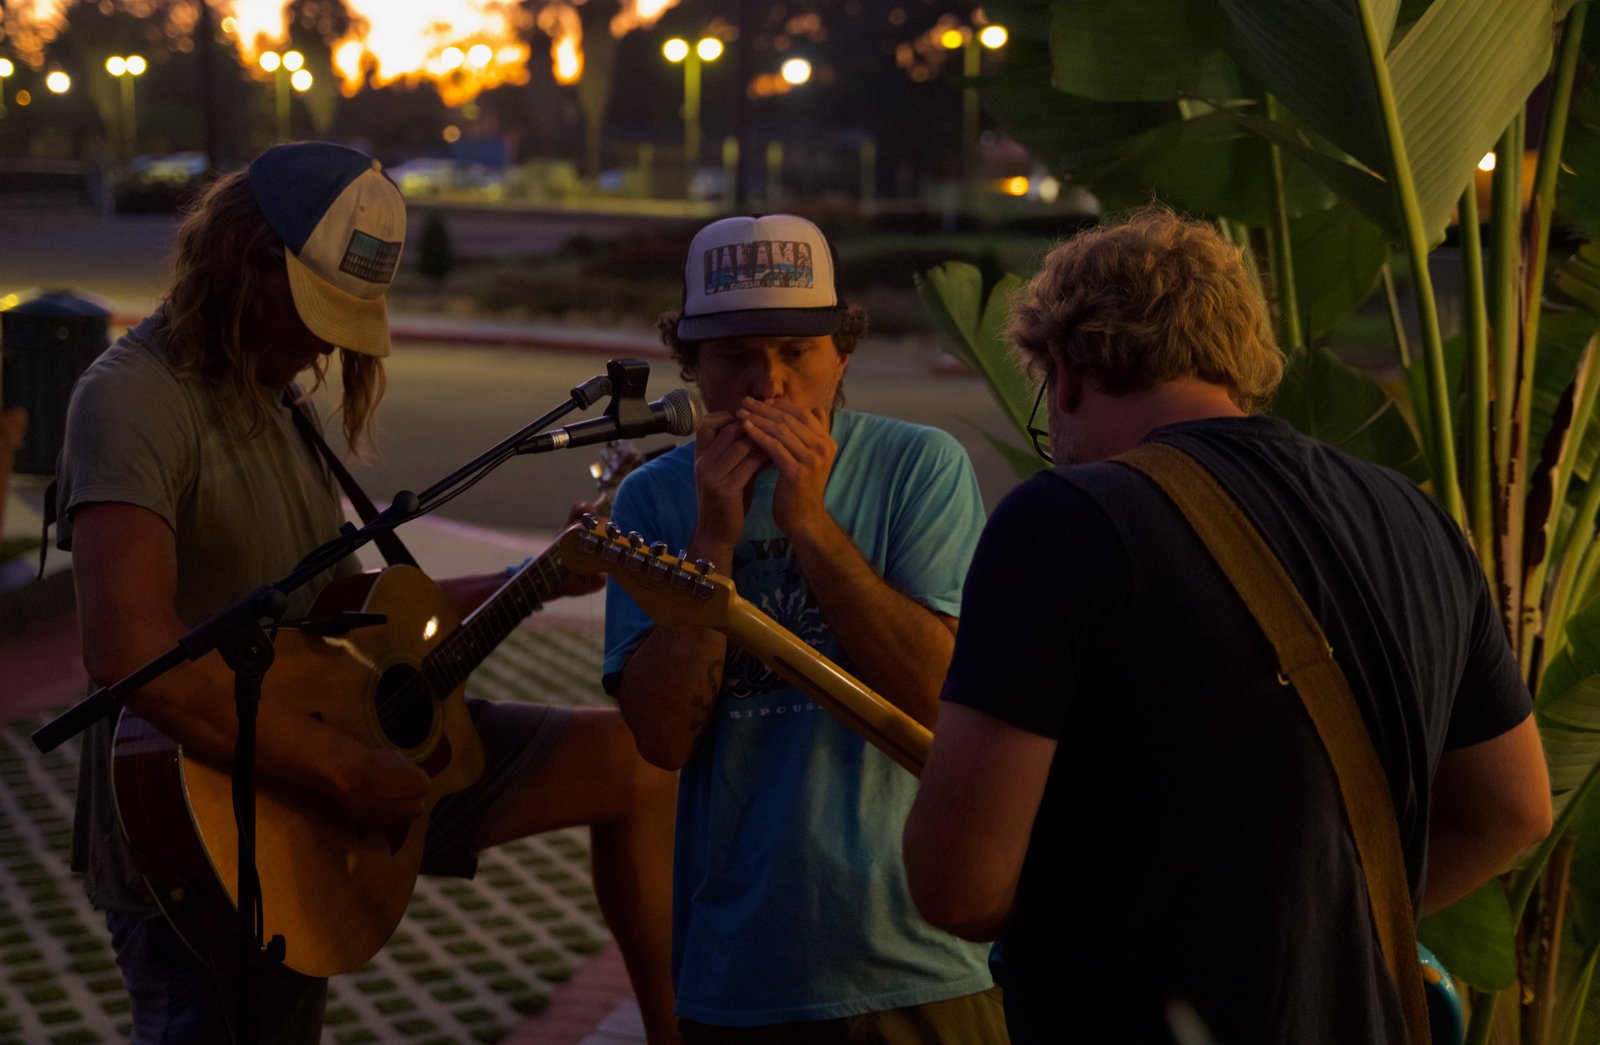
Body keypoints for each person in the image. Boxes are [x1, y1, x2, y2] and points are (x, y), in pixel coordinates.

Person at [55, 141, 678, 1044]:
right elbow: (130, 655)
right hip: (208, 821)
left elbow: (352, 624)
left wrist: (532, 581)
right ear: (243, 257)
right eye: (315, 308)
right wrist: (349, 774)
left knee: (636, 765)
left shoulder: (274, 396)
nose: (324, 341)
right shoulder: (133, 400)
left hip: (344, 756)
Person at [902, 206, 1553, 1044]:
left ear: (1063, 373)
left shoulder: (1063, 520)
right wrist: (1325, 921)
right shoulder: (1416, 518)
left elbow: (959, 886)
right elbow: (1513, 809)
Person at [602, 213, 1006, 1042]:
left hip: (919, 959)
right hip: (738, 971)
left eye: (797, 352)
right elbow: (662, 738)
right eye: (736, 356)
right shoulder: (652, 501)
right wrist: (712, 537)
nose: (768, 384)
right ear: (693, 368)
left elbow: (938, 694)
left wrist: (812, 526)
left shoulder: (917, 469)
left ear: (842, 356)